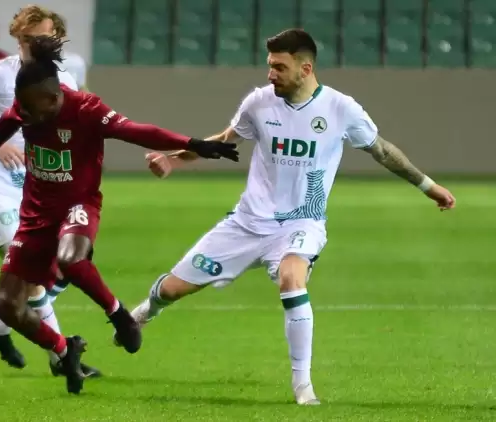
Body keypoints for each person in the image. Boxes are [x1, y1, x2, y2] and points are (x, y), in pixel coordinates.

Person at [124, 28, 457, 405]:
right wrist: (173, 160)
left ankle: (303, 385)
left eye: (279, 67)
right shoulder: (259, 103)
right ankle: (144, 313)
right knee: (171, 289)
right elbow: (225, 139)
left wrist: (428, 186)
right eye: (269, 66)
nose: (271, 74)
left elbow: (381, 150)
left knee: (291, 278)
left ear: (306, 68)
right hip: (247, 223)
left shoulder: (341, 109)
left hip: (301, 223)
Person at [0, 35, 240, 394]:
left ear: (54, 97)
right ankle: (65, 351)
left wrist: (192, 143)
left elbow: (136, 131)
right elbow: (6, 122)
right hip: (35, 215)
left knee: (71, 259)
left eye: (32, 108)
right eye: (23, 107)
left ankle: (120, 316)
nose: (25, 114)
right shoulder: (27, 104)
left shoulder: (86, 109)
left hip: (78, 205)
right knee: (6, 307)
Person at [0, 5, 100, 377]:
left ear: (57, 39)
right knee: (32, 272)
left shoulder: (65, 81)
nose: (34, 46)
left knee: (69, 261)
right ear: (18, 40)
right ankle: (63, 357)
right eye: (28, 40)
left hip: (33, 193)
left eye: (42, 39)